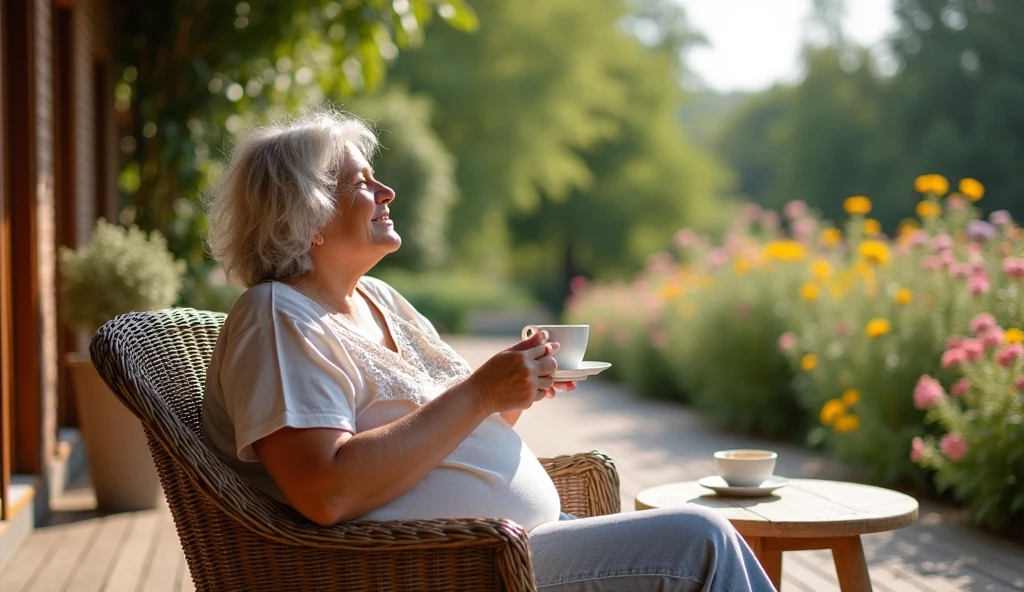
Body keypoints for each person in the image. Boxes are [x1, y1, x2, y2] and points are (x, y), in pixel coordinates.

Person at [201, 110, 776, 592]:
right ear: (307, 214)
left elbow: (458, 424)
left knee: (706, 539)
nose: (386, 192)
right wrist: (480, 392)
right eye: (361, 182)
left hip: (514, 547)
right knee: (701, 540)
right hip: (446, 570)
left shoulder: (379, 297)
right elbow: (326, 492)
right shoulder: (276, 317)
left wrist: (517, 386)